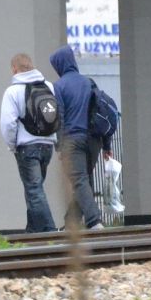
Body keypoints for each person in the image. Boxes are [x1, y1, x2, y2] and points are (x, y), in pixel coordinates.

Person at [50, 45, 112, 230]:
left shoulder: (59, 86)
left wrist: (60, 146)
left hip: (73, 141)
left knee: (79, 181)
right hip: (94, 141)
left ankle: (94, 221)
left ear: (59, 65)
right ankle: (70, 224)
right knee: (85, 182)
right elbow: (102, 111)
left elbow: (60, 117)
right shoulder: (88, 82)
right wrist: (107, 145)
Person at [0, 53, 57, 233]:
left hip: (27, 147)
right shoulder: (49, 86)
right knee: (34, 189)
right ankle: (32, 231)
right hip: (47, 145)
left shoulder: (13, 91)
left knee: (34, 190)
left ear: (14, 69)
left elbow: (8, 123)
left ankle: (49, 231)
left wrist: (12, 145)